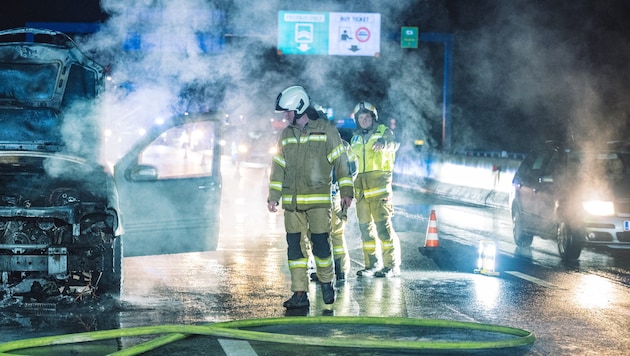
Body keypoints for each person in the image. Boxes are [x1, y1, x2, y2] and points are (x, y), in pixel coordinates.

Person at [267, 85, 354, 309]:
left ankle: (326, 282)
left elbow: (341, 163)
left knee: (321, 246)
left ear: (299, 106)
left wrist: (346, 192)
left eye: (287, 111)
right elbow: (278, 167)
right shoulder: (286, 135)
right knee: (295, 249)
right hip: (292, 204)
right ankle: (299, 293)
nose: (285, 116)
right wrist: (273, 196)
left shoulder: (327, 130)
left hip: (318, 202)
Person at [350, 101, 401, 278]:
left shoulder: (383, 132)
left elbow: (394, 144)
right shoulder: (355, 138)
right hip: (361, 191)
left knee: (383, 229)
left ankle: (391, 266)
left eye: (367, 117)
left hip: (379, 190)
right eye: (361, 118)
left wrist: (384, 143)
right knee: (366, 230)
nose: (364, 120)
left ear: (373, 118)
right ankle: (371, 264)